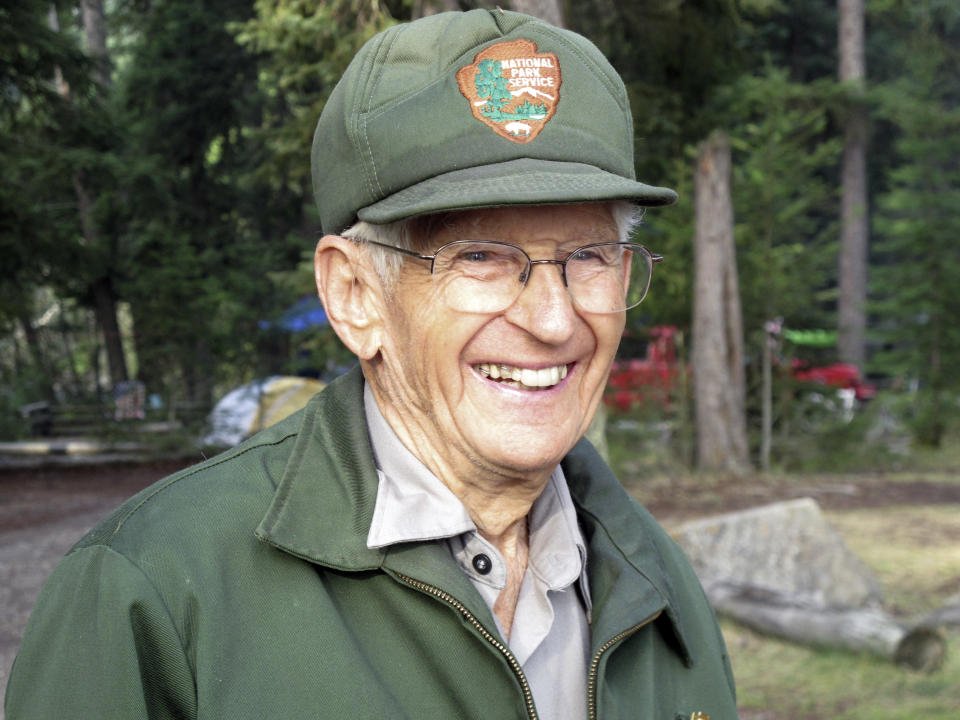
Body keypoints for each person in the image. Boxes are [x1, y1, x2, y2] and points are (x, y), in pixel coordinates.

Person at [5, 9, 738, 720]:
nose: (553, 320)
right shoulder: (154, 594)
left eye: (590, 257)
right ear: (355, 295)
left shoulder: (656, 587)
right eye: (479, 258)